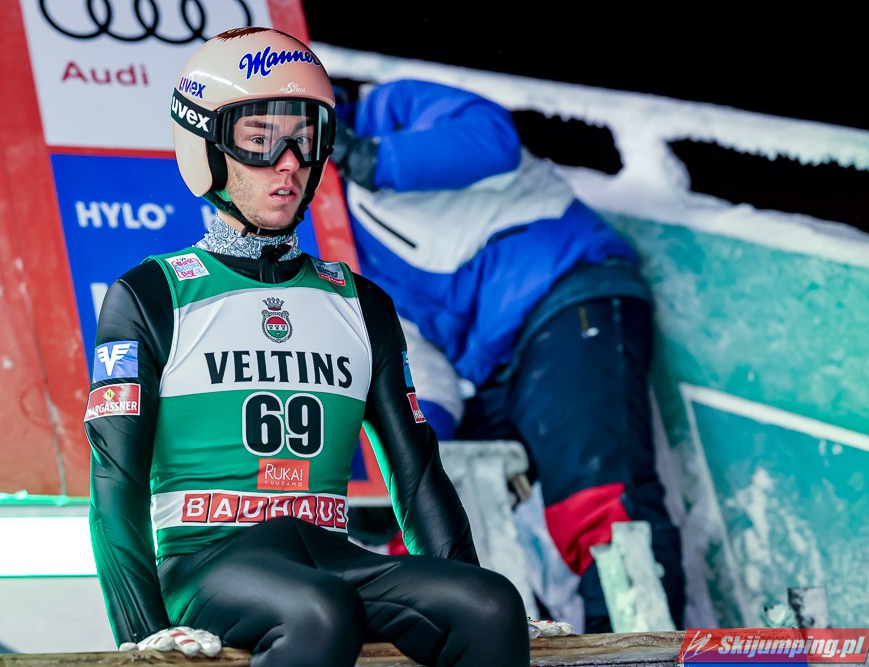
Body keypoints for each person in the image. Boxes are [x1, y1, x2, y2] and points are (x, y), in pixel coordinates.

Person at [83, 27, 530, 666]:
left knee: (488, 603)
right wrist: (141, 630)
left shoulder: (359, 301)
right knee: (320, 612)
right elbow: (115, 477)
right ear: (204, 145)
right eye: (260, 139)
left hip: (328, 555)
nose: (289, 161)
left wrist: (463, 581)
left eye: (305, 137)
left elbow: (415, 470)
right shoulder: (152, 294)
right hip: (208, 563)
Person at [328, 78, 686, 633]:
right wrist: (397, 471)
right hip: (499, 366)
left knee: (595, 494)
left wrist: (369, 158)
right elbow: (423, 370)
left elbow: (490, 137)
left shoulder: (389, 111)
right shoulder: (342, 254)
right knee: (433, 509)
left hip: (565, 295)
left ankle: (634, 645)